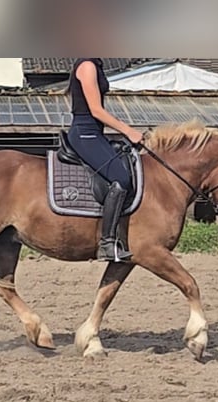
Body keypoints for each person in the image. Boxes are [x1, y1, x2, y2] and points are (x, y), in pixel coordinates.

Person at [67, 58, 144, 262]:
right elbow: (96, 110)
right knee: (121, 178)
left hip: (94, 132)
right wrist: (128, 131)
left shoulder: (96, 65)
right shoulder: (87, 66)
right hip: (85, 132)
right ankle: (107, 242)